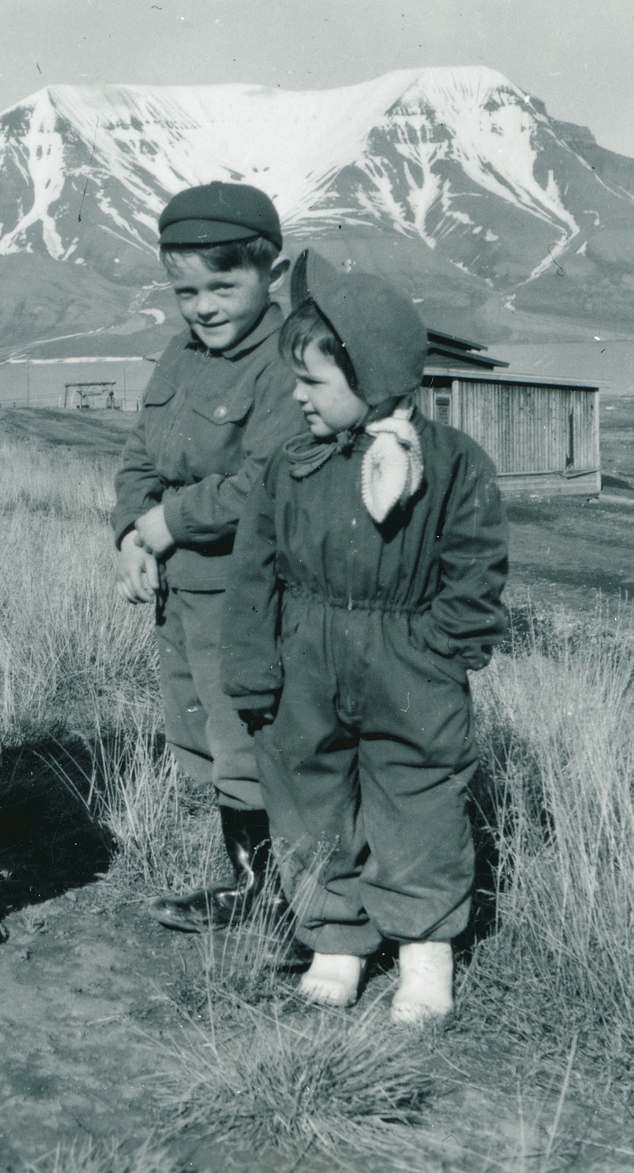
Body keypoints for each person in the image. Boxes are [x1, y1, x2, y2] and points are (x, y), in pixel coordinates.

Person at [222, 252, 508, 1021]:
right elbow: (253, 577)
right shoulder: (290, 469)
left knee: (419, 802)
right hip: (303, 663)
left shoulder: (450, 466)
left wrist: (439, 649)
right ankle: (335, 941)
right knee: (306, 797)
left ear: (372, 376)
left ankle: (423, 951)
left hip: (409, 665)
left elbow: (475, 569)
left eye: (312, 381)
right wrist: (253, 669)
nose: (296, 395)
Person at [112, 182, 305, 932]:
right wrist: (132, 532)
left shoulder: (285, 363)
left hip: (247, 595)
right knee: (205, 741)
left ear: (273, 275)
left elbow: (268, 479)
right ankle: (250, 889)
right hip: (183, 595)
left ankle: (295, 904)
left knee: (251, 745)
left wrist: (169, 521)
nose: (203, 306)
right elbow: (138, 454)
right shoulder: (178, 355)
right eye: (184, 290)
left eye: (223, 285)